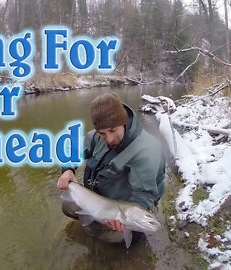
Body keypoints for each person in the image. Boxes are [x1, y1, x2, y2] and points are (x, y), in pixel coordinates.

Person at [57, 92, 165, 244]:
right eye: (103, 133)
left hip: (128, 205)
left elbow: (145, 196)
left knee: (114, 235)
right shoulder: (96, 135)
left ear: (124, 122)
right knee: (68, 206)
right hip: (102, 199)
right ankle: (95, 221)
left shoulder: (147, 150)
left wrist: (126, 220)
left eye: (113, 130)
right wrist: (68, 169)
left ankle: (133, 234)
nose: (109, 139)